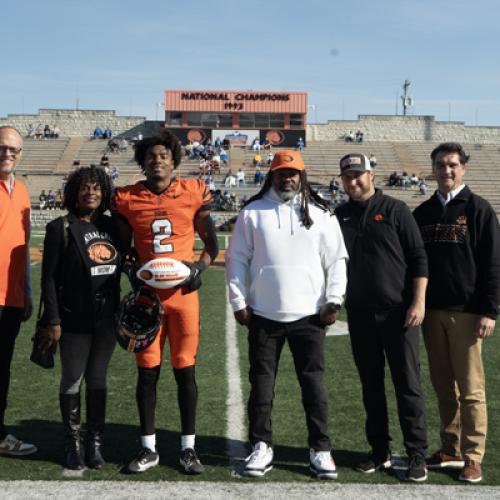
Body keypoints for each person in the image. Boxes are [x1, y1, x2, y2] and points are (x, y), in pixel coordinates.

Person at [225, 150, 348, 479]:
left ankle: (320, 449)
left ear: (302, 175)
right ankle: (261, 446)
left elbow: (336, 260)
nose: (288, 178)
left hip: (309, 316)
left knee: (314, 388)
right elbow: (236, 259)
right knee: (262, 388)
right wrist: (238, 301)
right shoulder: (253, 212)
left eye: (293, 172)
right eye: (282, 172)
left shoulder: (322, 213)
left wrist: (333, 300)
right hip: (264, 316)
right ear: (272, 174)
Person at [112, 130, 218, 475]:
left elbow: (211, 245)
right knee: (147, 375)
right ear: (143, 163)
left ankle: (188, 449)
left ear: (174, 161)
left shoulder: (193, 191)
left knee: (185, 371)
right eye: (151, 157)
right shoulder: (127, 198)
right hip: (147, 302)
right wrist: (130, 268)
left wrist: (198, 268)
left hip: (184, 299)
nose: (157, 161)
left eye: (163, 156)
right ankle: (148, 448)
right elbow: (122, 248)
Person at [336, 153, 429, 482]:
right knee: (370, 387)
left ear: (371, 175)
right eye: (348, 177)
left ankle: (417, 453)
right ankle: (380, 451)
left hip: (399, 315)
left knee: (408, 386)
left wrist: (418, 302)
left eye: (359, 175)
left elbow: (419, 258)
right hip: (360, 315)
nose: (354, 181)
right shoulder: (340, 215)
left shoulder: (396, 210)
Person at [413, 142, 500, 484]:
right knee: (443, 386)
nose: (446, 171)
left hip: (467, 313)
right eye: (440, 165)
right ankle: (449, 447)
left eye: (452, 165)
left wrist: (489, 310)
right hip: (431, 312)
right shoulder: (422, 213)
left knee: (471, 389)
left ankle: (472, 455)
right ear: (432, 169)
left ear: (463, 167)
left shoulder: (479, 209)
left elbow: (493, 264)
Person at [40, 165, 120, 470]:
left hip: (106, 318)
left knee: (98, 378)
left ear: (104, 192)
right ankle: (72, 444)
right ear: (73, 192)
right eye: (84, 187)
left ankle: (94, 444)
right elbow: (49, 279)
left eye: (97, 187)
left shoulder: (113, 227)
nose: (91, 192)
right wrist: (54, 320)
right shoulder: (59, 227)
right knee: (72, 378)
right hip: (73, 317)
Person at [0, 126, 36, 456]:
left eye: (13, 149)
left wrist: (27, 291)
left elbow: (23, 247)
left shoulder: (23, 192)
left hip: (10, 298)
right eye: (2, 147)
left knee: (3, 368)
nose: (7, 153)